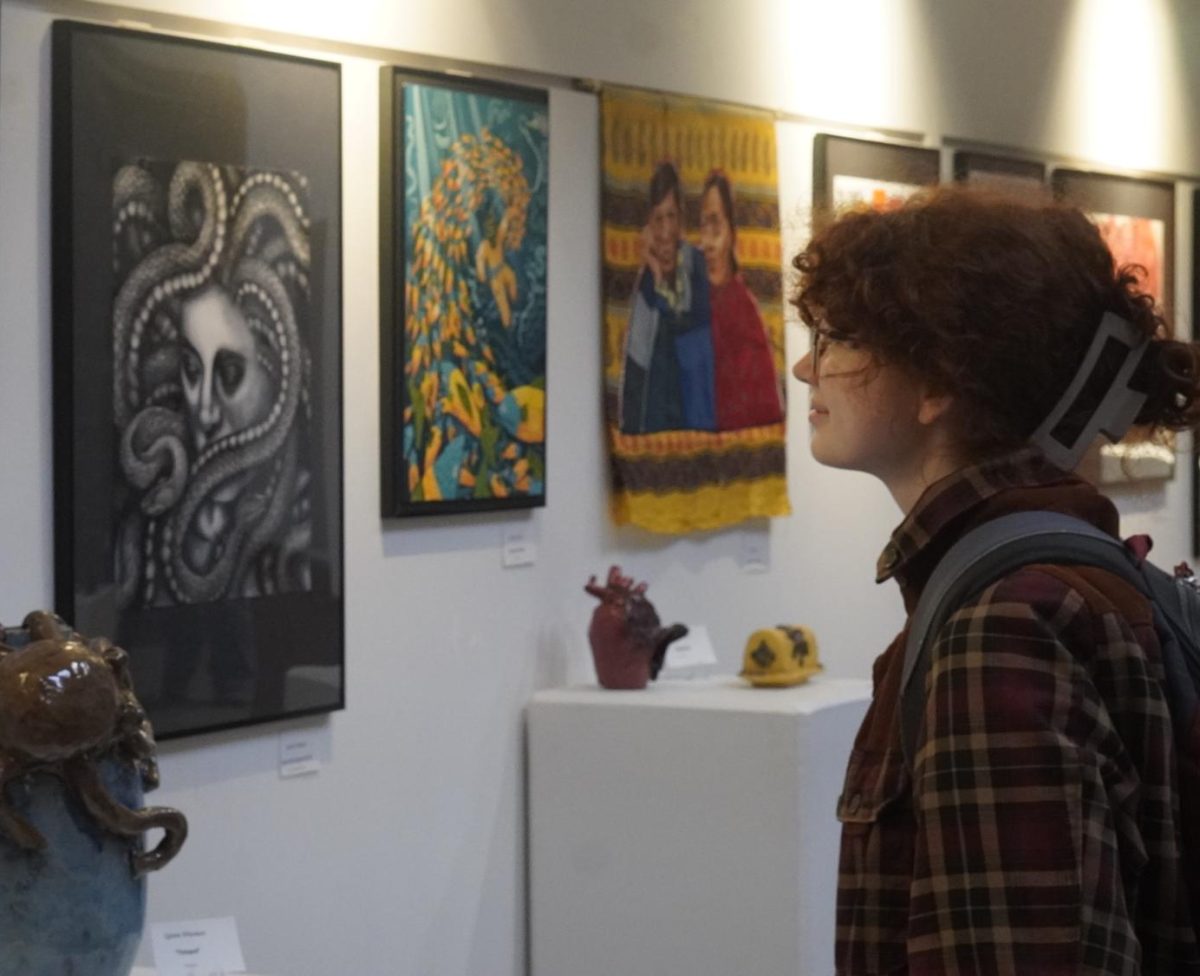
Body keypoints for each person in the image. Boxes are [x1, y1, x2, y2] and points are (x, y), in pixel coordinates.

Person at [790, 186, 1200, 974]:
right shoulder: (1056, 581)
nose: (809, 365)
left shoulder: (1004, 622)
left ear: (940, 380)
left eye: (839, 338)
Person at [619, 160, 715, 433]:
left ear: (682, 219)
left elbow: (698, 337)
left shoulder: (698, 266)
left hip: (699, 417)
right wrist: (656, 279)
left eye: (671, 216)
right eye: (657, 219)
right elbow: (638, 365)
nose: (664, 232)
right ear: (648, 225)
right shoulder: (647, 284)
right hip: (661, 422)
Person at [698, 169, 783, 430]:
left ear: (732, 231)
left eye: (716, 225)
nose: (708, 243)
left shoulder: (743, 311)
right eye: (703, 226)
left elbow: (763, 408)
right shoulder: (692, 303)